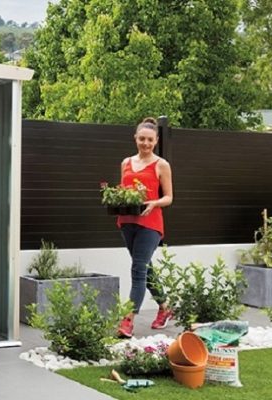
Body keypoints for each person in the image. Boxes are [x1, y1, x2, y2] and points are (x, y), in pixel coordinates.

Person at [116, 117, 173, 338]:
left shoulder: (161, 165)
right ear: (135, 138)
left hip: (150, 224)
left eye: (150, 140)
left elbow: (169, 197)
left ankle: (128, 320)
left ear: (156, 140)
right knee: (145, 268)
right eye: (142, 139)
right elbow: (124, 191)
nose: (145, 143)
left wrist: (154, 202)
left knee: (138, 270)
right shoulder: (126, 162)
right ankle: (166, 306)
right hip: (127, 222)